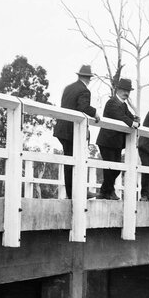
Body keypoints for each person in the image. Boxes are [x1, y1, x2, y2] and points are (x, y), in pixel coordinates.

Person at [53, 64, 99, 199]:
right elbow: (83, 107)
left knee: (70, 161)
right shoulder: (84, 91)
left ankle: (71, 192)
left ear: (79, 76)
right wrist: (95, 113)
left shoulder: (68, 88)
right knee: (78, 161)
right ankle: (78, 192)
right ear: (89, 78)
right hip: (73, 131)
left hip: (62, 129)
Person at [95, 77, 140, 200]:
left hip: (116, 143)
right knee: (111, 168)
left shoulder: (124, 105)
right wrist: (132, 123)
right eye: (124, 90)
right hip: (107, 141)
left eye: (128, 91)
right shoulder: (112, 102)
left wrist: (135, 110)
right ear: (118, 89)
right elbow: (121, 118)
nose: (126, 93)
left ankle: (105, 192)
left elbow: (134, 120)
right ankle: (107, 192)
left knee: (116, 170)